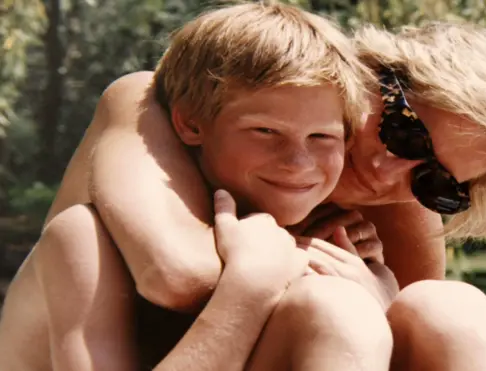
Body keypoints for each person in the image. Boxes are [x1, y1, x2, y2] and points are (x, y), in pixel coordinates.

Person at [0, 4, 395, 370]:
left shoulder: (319, 237)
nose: (298, 161)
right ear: (190, 125)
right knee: (339, 311)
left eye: (322, 137)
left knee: (442, 306)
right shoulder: (85, 242)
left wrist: (378, 291)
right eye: (265, 131)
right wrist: (250, 289)